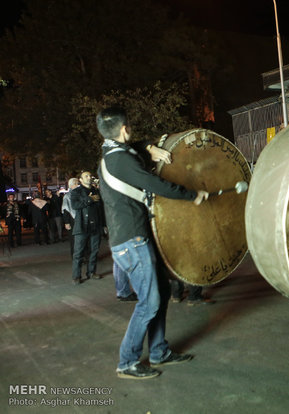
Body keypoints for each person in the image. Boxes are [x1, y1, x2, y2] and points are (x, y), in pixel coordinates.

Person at [96, 107, 209, 380]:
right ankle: (127, 361)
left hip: (133, 237)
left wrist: (147, 147)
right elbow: (154, 183)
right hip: (132, 240)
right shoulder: (120, 160)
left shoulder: (112, 154)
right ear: (124, 128)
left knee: (158, 292)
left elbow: (133, 147)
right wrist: (191, 194)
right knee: (149, 302)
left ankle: (159, 351)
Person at [70, 171, 105, 284]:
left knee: (94, 251)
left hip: (96, 225)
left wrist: (103, 224)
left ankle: (91, 272)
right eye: (86, 176)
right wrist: (89, 199)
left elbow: (101, 210)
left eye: (90, 176)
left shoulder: (96, 190)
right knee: (78, 253)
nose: (89, 178)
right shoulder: (76, 191)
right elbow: (75, 206)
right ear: (80, 180)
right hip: (82, 226)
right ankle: (76, 276)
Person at [62, 178, 80, 257]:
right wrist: (67, 222)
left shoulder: (80, 194)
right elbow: (65, 210)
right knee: (74, 240)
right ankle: (75, 256)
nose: (77, 185)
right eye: (76, 183)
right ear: (72, 185)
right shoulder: (67, 196)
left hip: (80, 219)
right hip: (72, 220)